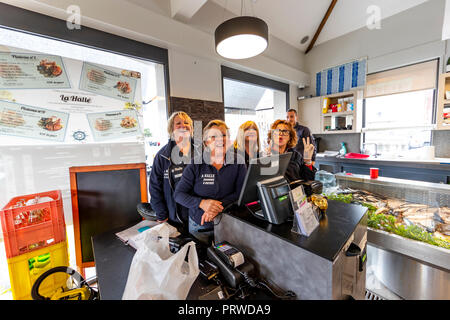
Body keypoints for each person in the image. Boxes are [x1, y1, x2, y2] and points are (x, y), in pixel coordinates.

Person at [174, 120, 247, 244]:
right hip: (200, 225)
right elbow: (179, 195)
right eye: (214, 136)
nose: (220, 139)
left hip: (228, 222)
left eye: (224, 135)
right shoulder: (195, 164)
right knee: (201, 259)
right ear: (206, 142)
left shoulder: (238, 161)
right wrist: (202, 203)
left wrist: (215, 207)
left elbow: (241, 193)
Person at [149, 111, 200, 231]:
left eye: (187, 123)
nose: (183, 125)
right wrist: (161, 214)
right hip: (175, 217)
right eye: (178, 123)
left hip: (199, 215)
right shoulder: (162, 156)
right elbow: (155, 187)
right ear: (171, 129)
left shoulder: (202, 152)